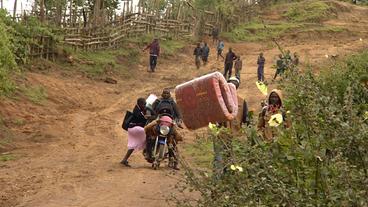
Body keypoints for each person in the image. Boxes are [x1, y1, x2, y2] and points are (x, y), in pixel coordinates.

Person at [212, 77, 249, 178]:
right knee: (218, 158)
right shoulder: (219, 100)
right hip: (220, 135)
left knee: (232, 159)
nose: (231, 85)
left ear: (237, 86)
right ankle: (216, 183)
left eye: (234, 84)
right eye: (229, 83)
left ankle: (229, 179)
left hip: (235, 136)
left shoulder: (242, 101)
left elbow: (246, 120)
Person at [121, 98, 148, 167]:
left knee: (133, 144)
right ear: (139, 104)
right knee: (147, 134)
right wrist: (147, 117)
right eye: (144, 104)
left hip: (133, 128)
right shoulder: (137, 110)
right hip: (135, 128)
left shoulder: (139, 109)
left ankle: (124, 159)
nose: (145, 105)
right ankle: (146, 150)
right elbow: (142, 119)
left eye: (145, 104)